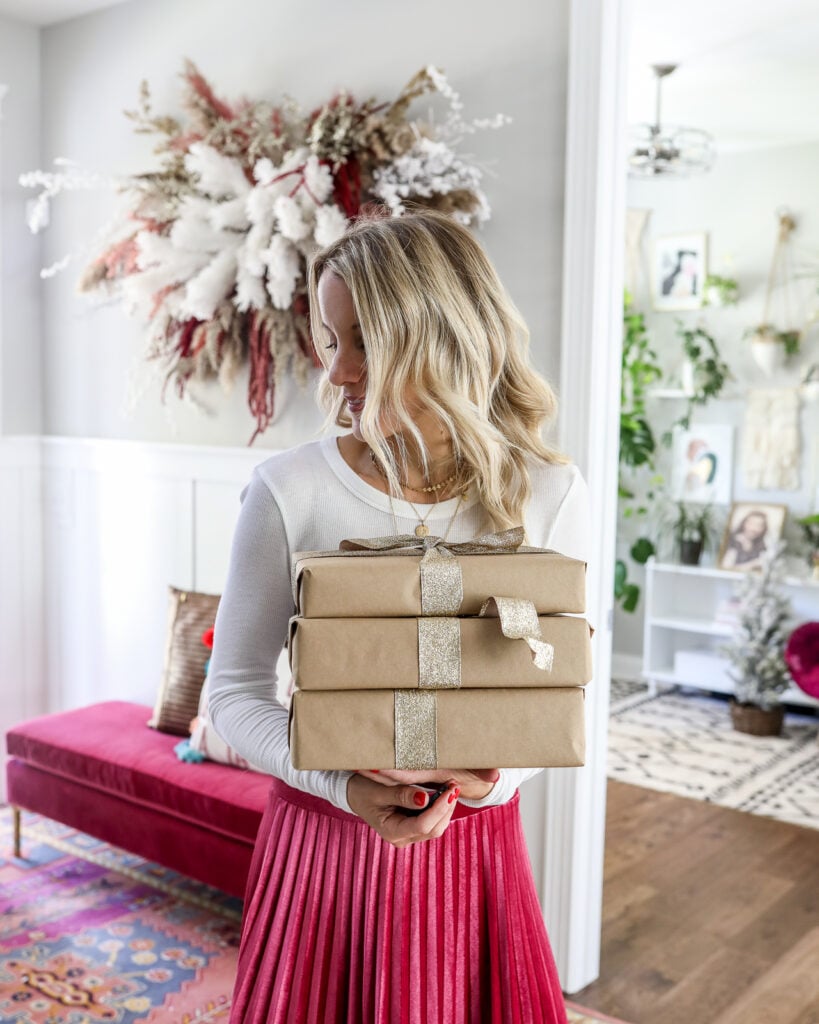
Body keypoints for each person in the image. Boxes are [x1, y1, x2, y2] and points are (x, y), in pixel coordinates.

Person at [208, 208, 590, 1024]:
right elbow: (233, 693)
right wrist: (342, 786)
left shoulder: (548, 495)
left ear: (444, 340)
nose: (338, 372)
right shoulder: (288, 492)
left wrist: (488, 786)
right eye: (327, 337)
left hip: (474, 858)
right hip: (322, 851)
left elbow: (574, 687)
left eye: (365, 343)